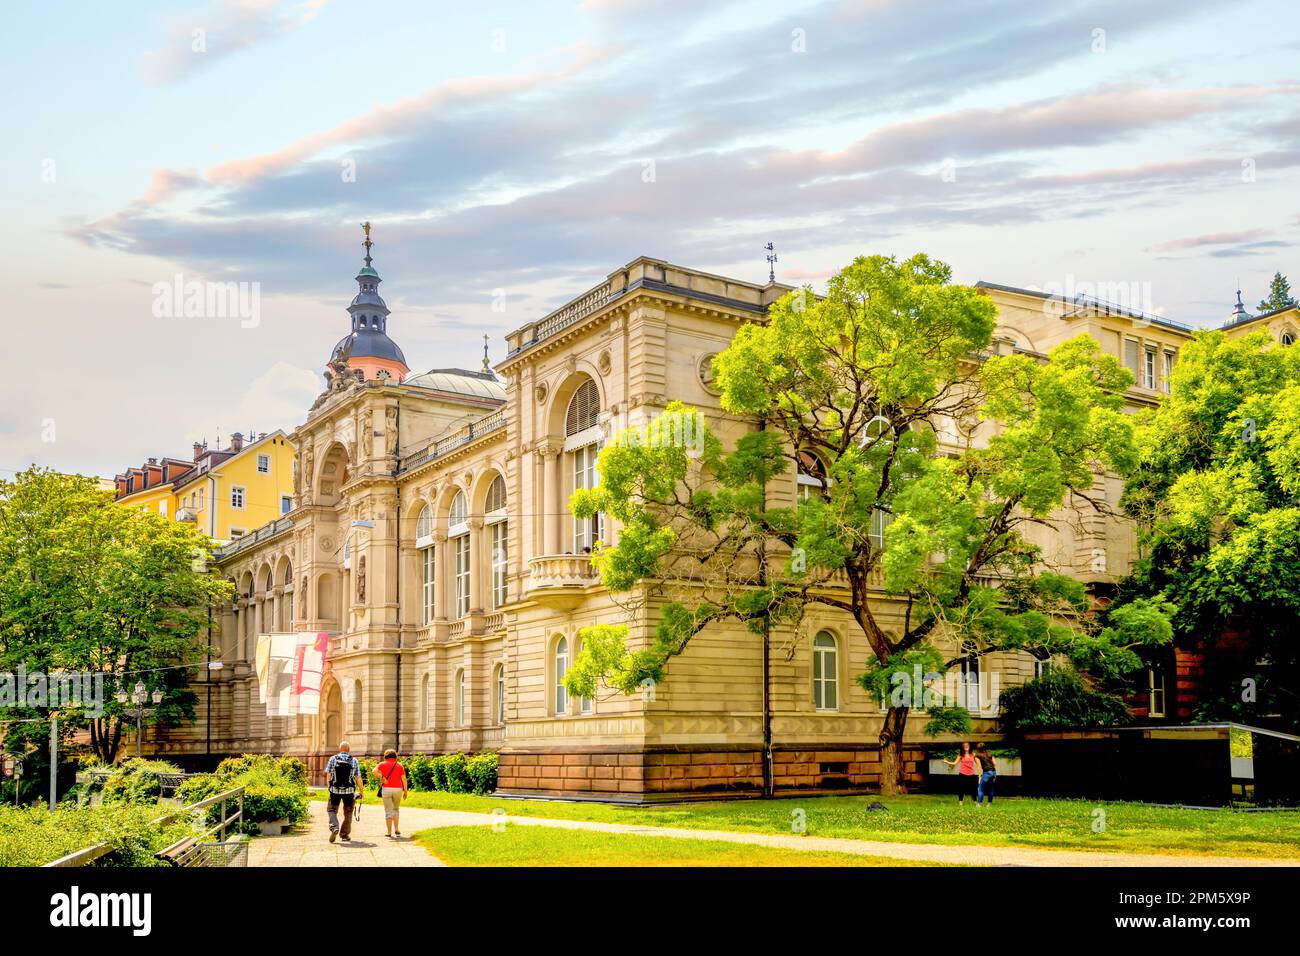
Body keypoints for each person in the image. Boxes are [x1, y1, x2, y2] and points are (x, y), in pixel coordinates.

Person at [324, 740, 364, 843]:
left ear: (339, 749)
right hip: (349, 791)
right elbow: (358, 777)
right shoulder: (354, 760)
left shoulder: (333, 759)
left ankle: (334, 827)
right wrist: (361, 791)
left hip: (335, 790)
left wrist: (329, 786)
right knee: (348, 812)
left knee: (331, 810)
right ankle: (344, 835)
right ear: (349, 750)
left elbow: (328, 774)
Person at [375, 748, 409, 838]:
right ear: (395, 756)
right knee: (395, 809)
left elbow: (374, 771)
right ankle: (396, 829)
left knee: (388, 811)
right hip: (398, 789)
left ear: (385, 756)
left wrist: (382, 777)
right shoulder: (399, 765)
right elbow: (404, 779)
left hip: (386, 789)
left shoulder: (382, 764)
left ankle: (389, 832)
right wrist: (405, 791)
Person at [942, 741, 979, 805]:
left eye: (967, 745)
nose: (966, 746)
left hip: (971, 774)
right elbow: (954, 763)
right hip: (962, 773)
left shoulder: (973, 754)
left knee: (973, 789)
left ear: (969, 746)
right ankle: (960, 802)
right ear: (963, 747)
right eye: (964, 746)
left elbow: (978, 763)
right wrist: (946, 762)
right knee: (961, 788)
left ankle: (975, 802)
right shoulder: (961, 755)